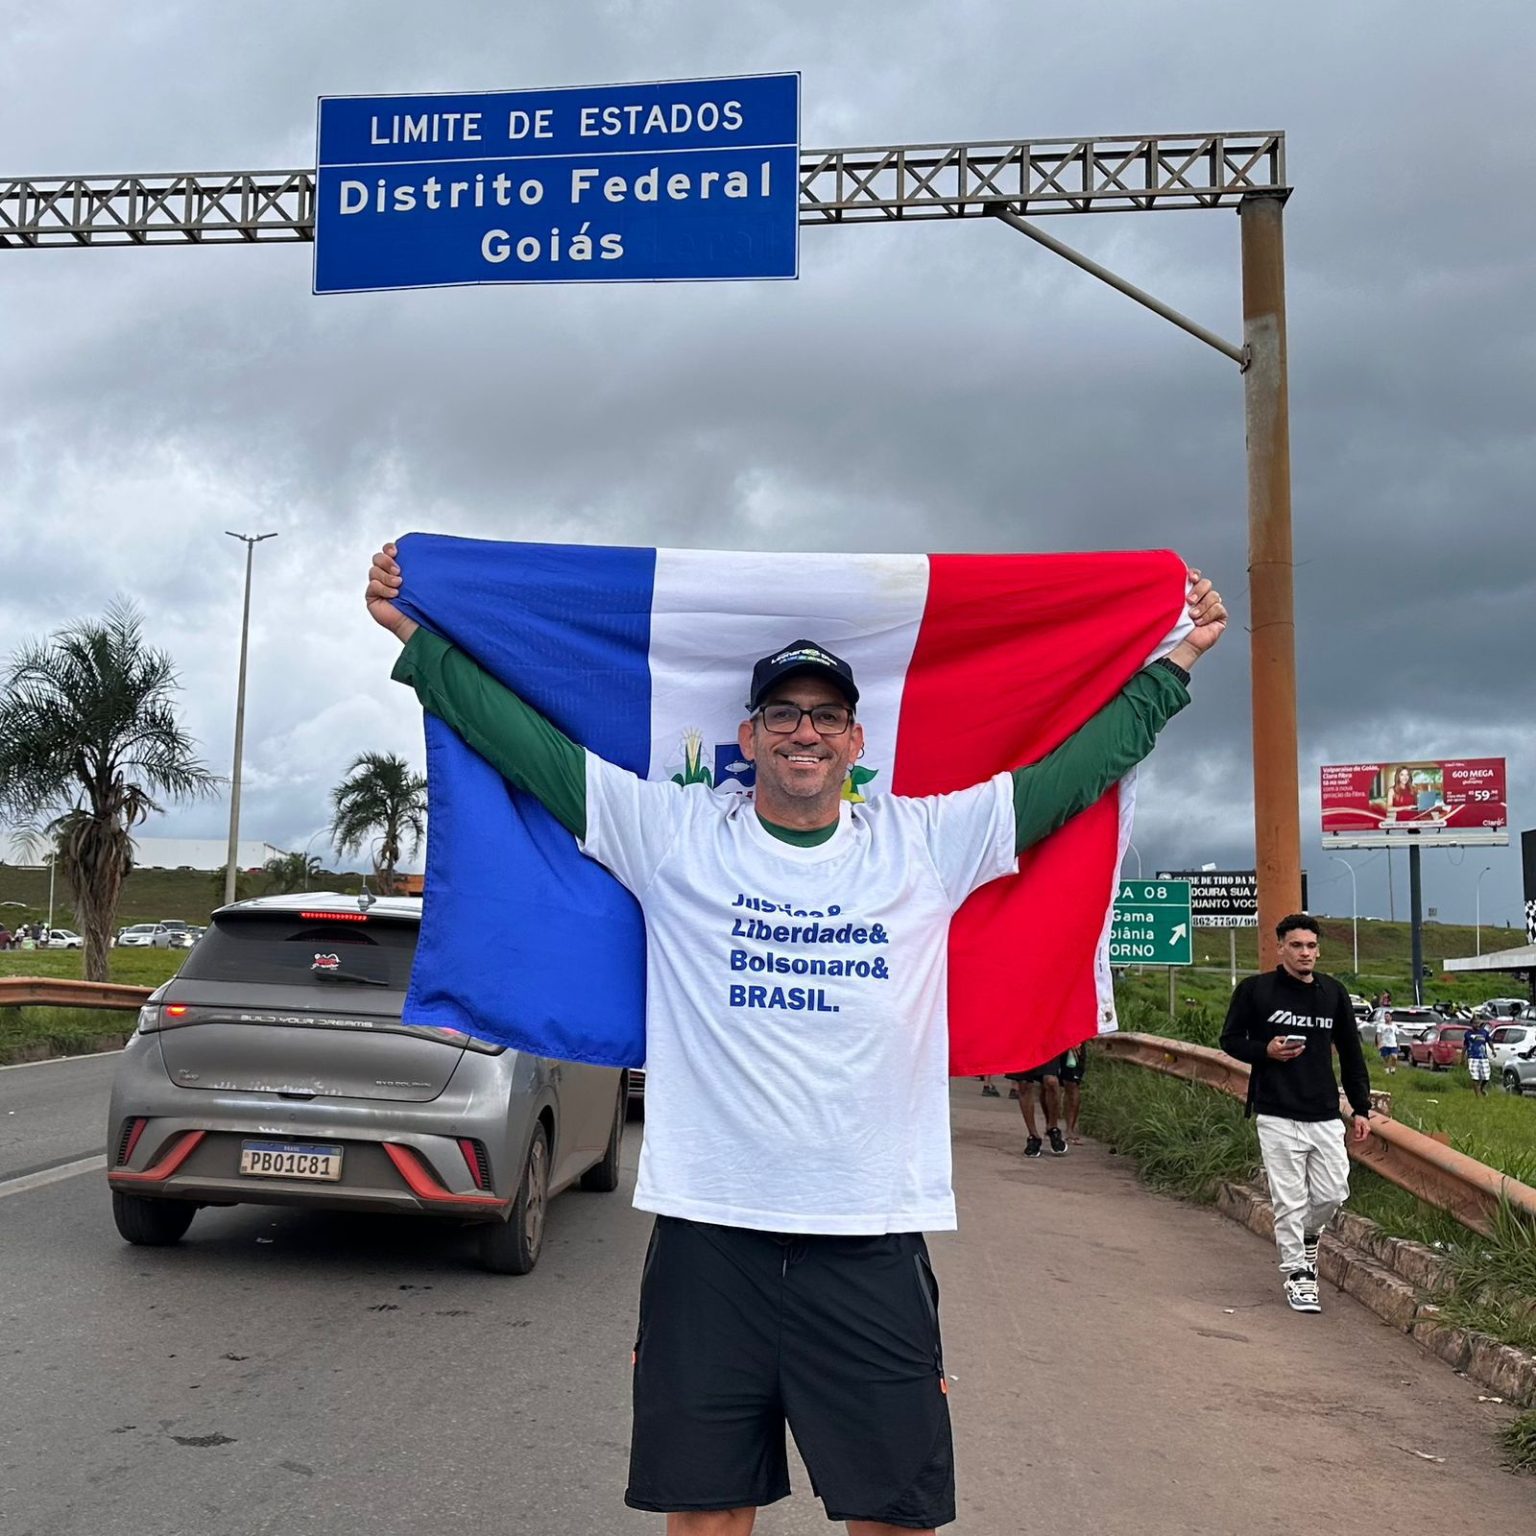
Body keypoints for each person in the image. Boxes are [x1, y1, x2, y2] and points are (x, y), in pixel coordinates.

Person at [367, 541, 1226, 1534]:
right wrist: (417, 639)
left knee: (892, 1518)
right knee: (705, 1517)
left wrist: (1176, 666)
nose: (804, 732)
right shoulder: (673, 834)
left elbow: (1070, 775)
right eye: (784, 714)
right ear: (751, 734)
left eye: (825, 716)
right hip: (710, 1236)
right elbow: (528, 746)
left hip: (867, 1237)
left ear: (856, 740)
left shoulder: (925, 842)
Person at [1219, 914, 1374, 1315]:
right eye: (1296, 946)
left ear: (1318, 950)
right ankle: (1298, 1276)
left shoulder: (1333, 994)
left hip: (1323, 1111)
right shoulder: (1256, 991)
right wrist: (1265, 1050)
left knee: (1333, 1192)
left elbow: (1352, 1054)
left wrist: (1360, 1108)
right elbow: (1231, 1039)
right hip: (1275, 1110)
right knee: (1288, 1198)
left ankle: (1308, 1235)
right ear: (1280, 948)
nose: (1305, 953)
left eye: (1310, 946)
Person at [1008, 1056, 1066, 1157]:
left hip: (1045, 1042)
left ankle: (1053, 1127)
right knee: (1024, 1084)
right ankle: (1033, 1135)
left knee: (1051, 1081)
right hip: (1021, 1044)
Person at [1060, 1040, 1088, 1142]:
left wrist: (1077, 1039)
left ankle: (1070, 1129)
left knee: (1072, 1084)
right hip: (1054, 1040)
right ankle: (1050, 1125)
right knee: (1048, 1082)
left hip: (1074, 1041)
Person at [1462, 1018, 1493, 1097]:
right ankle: (1477, 1096)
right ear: (1471, 1024)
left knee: (1486, 1077)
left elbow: (1489, 1041)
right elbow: (1465, 1046)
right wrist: (1462, 1057)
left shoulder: (1484, 1033)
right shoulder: (1468, 1034)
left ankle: (1481, 1089)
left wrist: (1493, 1050)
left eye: (1478, 1023)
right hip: (1472, 1057)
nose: (1477, 1025)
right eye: (1475, 1023)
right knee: (1474, 1077)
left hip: (1483, 1057)